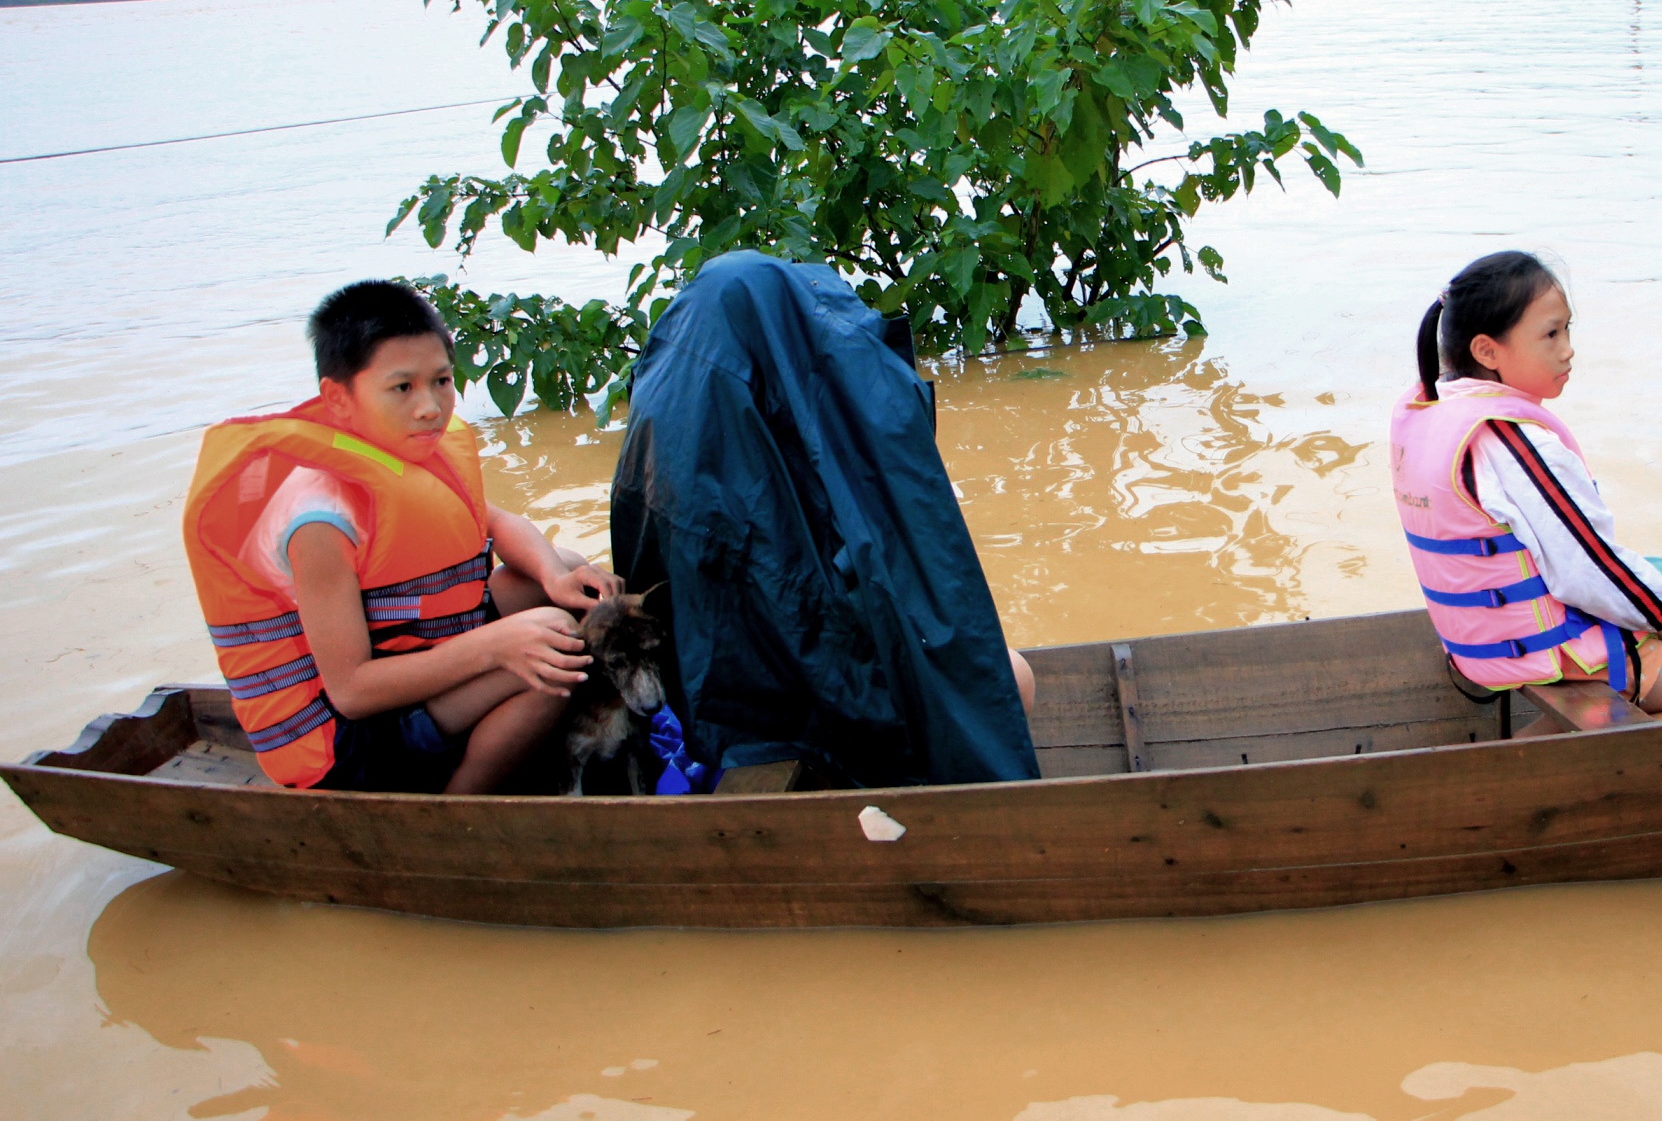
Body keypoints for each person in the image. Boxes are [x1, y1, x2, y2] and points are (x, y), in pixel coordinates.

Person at [610, 252, 1040, 790]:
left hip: (712, 709)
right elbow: (860, 594)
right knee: (1013, 677)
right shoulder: (794, 433)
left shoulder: (664, 416)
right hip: (805, 707)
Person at [184, 281, 621, 793]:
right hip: (341, 739)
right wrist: (496, 648)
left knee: (564, 569)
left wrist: (553, 576)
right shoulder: (319, 522)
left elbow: (499, 522)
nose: (431, 407)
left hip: (405, 668)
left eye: (441, 381)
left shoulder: (409, 454)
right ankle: (458, 808)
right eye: (403, 388)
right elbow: (350, 690)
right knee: (553, 649)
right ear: (338, 399)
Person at [1390, 251, 1662, 720]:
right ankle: (1530, 781)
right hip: (1546, 648)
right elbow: (1585, 567)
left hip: (1478, 647)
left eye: (1568, 329)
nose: (1567, 348)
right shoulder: (1517, 442)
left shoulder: (1435, 410)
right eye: (1550, 334)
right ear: (1487, 351)